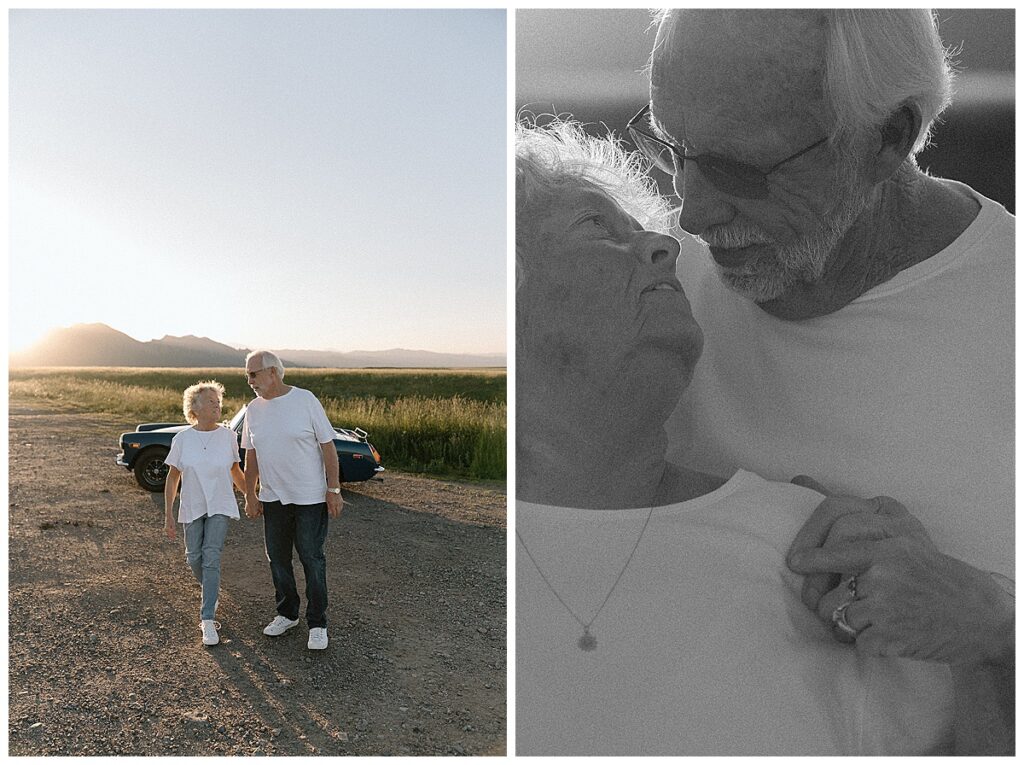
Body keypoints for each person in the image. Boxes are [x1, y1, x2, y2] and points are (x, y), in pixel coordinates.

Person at [515, 118, 960, 756]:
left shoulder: (816, 553)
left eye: (648, 232)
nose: (663, 248)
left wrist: (996, 640)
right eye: (595, 227)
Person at [635, 9, 1012, 751]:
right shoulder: (642, 287)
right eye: (675, 149)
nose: (694, 212)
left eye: (742, 169)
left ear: (889, 137)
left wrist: (993, 625)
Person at [241, 350, 343, 651]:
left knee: (311, 558)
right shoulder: (253, 410)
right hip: (273, 498)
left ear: (272, 372)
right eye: (248, 375)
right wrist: (250, 495)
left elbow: (328, 447)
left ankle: (317, 623)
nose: (250, 381)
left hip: (309, 498)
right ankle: (287, 614)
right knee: (278, 559)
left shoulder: (306, 400)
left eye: (253, 374)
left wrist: (333, 489)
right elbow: (251, 454)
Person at [163, 380, 245, 647]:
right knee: (193, 558)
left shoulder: (228, 436)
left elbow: (235, 471)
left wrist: (252, 496)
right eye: (210, 401)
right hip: (193, 506)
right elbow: (173, 478)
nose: (217, 405)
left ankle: (207, 618)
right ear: (194, 407)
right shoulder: (183, 439)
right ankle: (212, 588)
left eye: (218, 401)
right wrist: (168, 515)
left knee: (211, 558)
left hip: (220, 503)